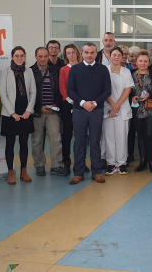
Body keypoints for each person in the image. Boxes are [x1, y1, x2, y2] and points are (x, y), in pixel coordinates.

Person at [67, 42, 112, 184]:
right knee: (79, 142)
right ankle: (78, 173)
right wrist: (83, 103)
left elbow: (107, 91)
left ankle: (97, 172)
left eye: (92, 52)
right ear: (82, 53)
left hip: (96, 110)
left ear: (96, 54)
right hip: (79, 111)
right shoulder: (75, 69)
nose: (89, 55)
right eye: (86, 52)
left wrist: (95, 103)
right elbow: (70, 90)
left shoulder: (103, 69)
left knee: (95, 142)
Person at [0, 46, 36, 185]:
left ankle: (24, 171)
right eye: (16, 56)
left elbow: (33, 92)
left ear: (25, 57)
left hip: (25, 112)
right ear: (12, 57)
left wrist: (28, 110)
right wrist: (12, 113)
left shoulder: (29, 71)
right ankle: (10, 172)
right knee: (10, 143)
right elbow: (3, 94)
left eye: (22, 55)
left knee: (24, 143)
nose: (19, 58)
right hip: (10, 114)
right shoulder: (5, 72)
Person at [31, 47, 65, 177]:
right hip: (37, 111)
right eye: (40, 56)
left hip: (52, 111)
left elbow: (59, 90)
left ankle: (56, 165)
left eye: (46, 56)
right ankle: (39, 165)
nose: (43, 59)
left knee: (56, 138)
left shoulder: (55, 71)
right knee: (37, 139)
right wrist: (39, 107)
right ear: (36, 57)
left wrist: (55, 105)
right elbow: (29, 93)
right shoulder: (30, 72)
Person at [103, 47, 134, 175]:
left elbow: (127, 90)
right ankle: (111, 163)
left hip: (122, 109)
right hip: (107, 107)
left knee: (122, 137)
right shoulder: (104, 71)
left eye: (118, 55)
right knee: (109, 137)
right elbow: (102, 90)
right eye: (113, 54)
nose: (116, 57)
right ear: (109, 56)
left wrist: (117, 106)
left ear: (122, 58)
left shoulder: (126, 72)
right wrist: (112, 105)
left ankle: (121, 163)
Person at [131, 51, 152, 173]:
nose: (143, 63)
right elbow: (128, 90)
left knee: (149, 136)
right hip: (137, 109)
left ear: (149, 62)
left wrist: (150, 94)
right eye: (140, 61)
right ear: (136, 62)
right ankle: (142, 161)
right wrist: (132, 97)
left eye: (145, 61)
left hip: (150, 109)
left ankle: (151, 161)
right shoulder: (131, 75)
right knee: (140, 136)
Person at [58, 43, 82, 173]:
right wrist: (72, 101)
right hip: (68, 105)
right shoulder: (63, 70)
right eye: (68, 53)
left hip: (82, 104)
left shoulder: (84, 67)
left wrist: (81, 101)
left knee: (81, 135)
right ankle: (66, 161)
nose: (71, 55)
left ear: (77, 53)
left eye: (73, 52)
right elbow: (63, 88)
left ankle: (81, 162)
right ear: (65, 55)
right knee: (67, 134)